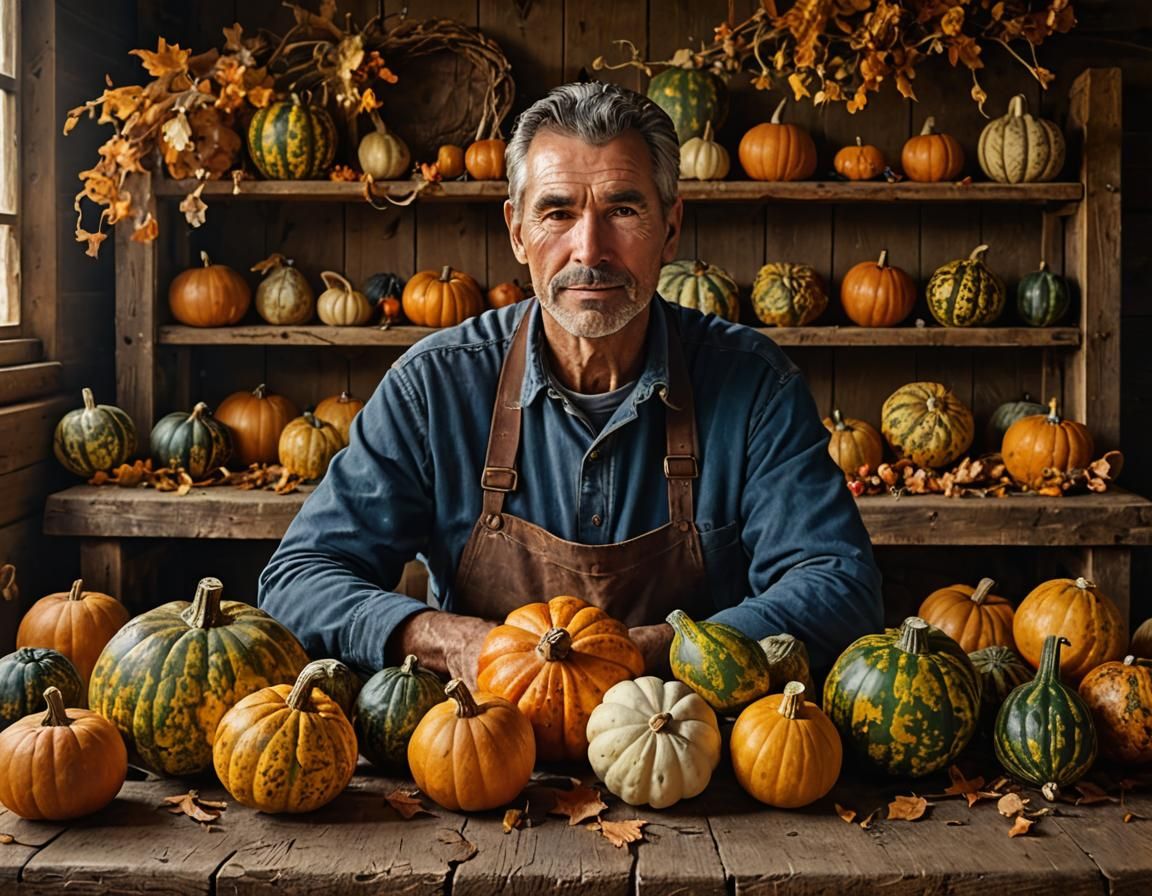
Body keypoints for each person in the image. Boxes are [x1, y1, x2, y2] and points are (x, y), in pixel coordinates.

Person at [258, 81, 883, 686]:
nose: (590, 248)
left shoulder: (754, 386)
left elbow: (838, 588)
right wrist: (448, 639)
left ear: (669, 229)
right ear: (516, 231)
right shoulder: (435, 387)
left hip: (694, 757)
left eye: (623, 210)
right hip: (482, 753)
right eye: (558, 212)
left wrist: (646, 652)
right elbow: (299, 579)